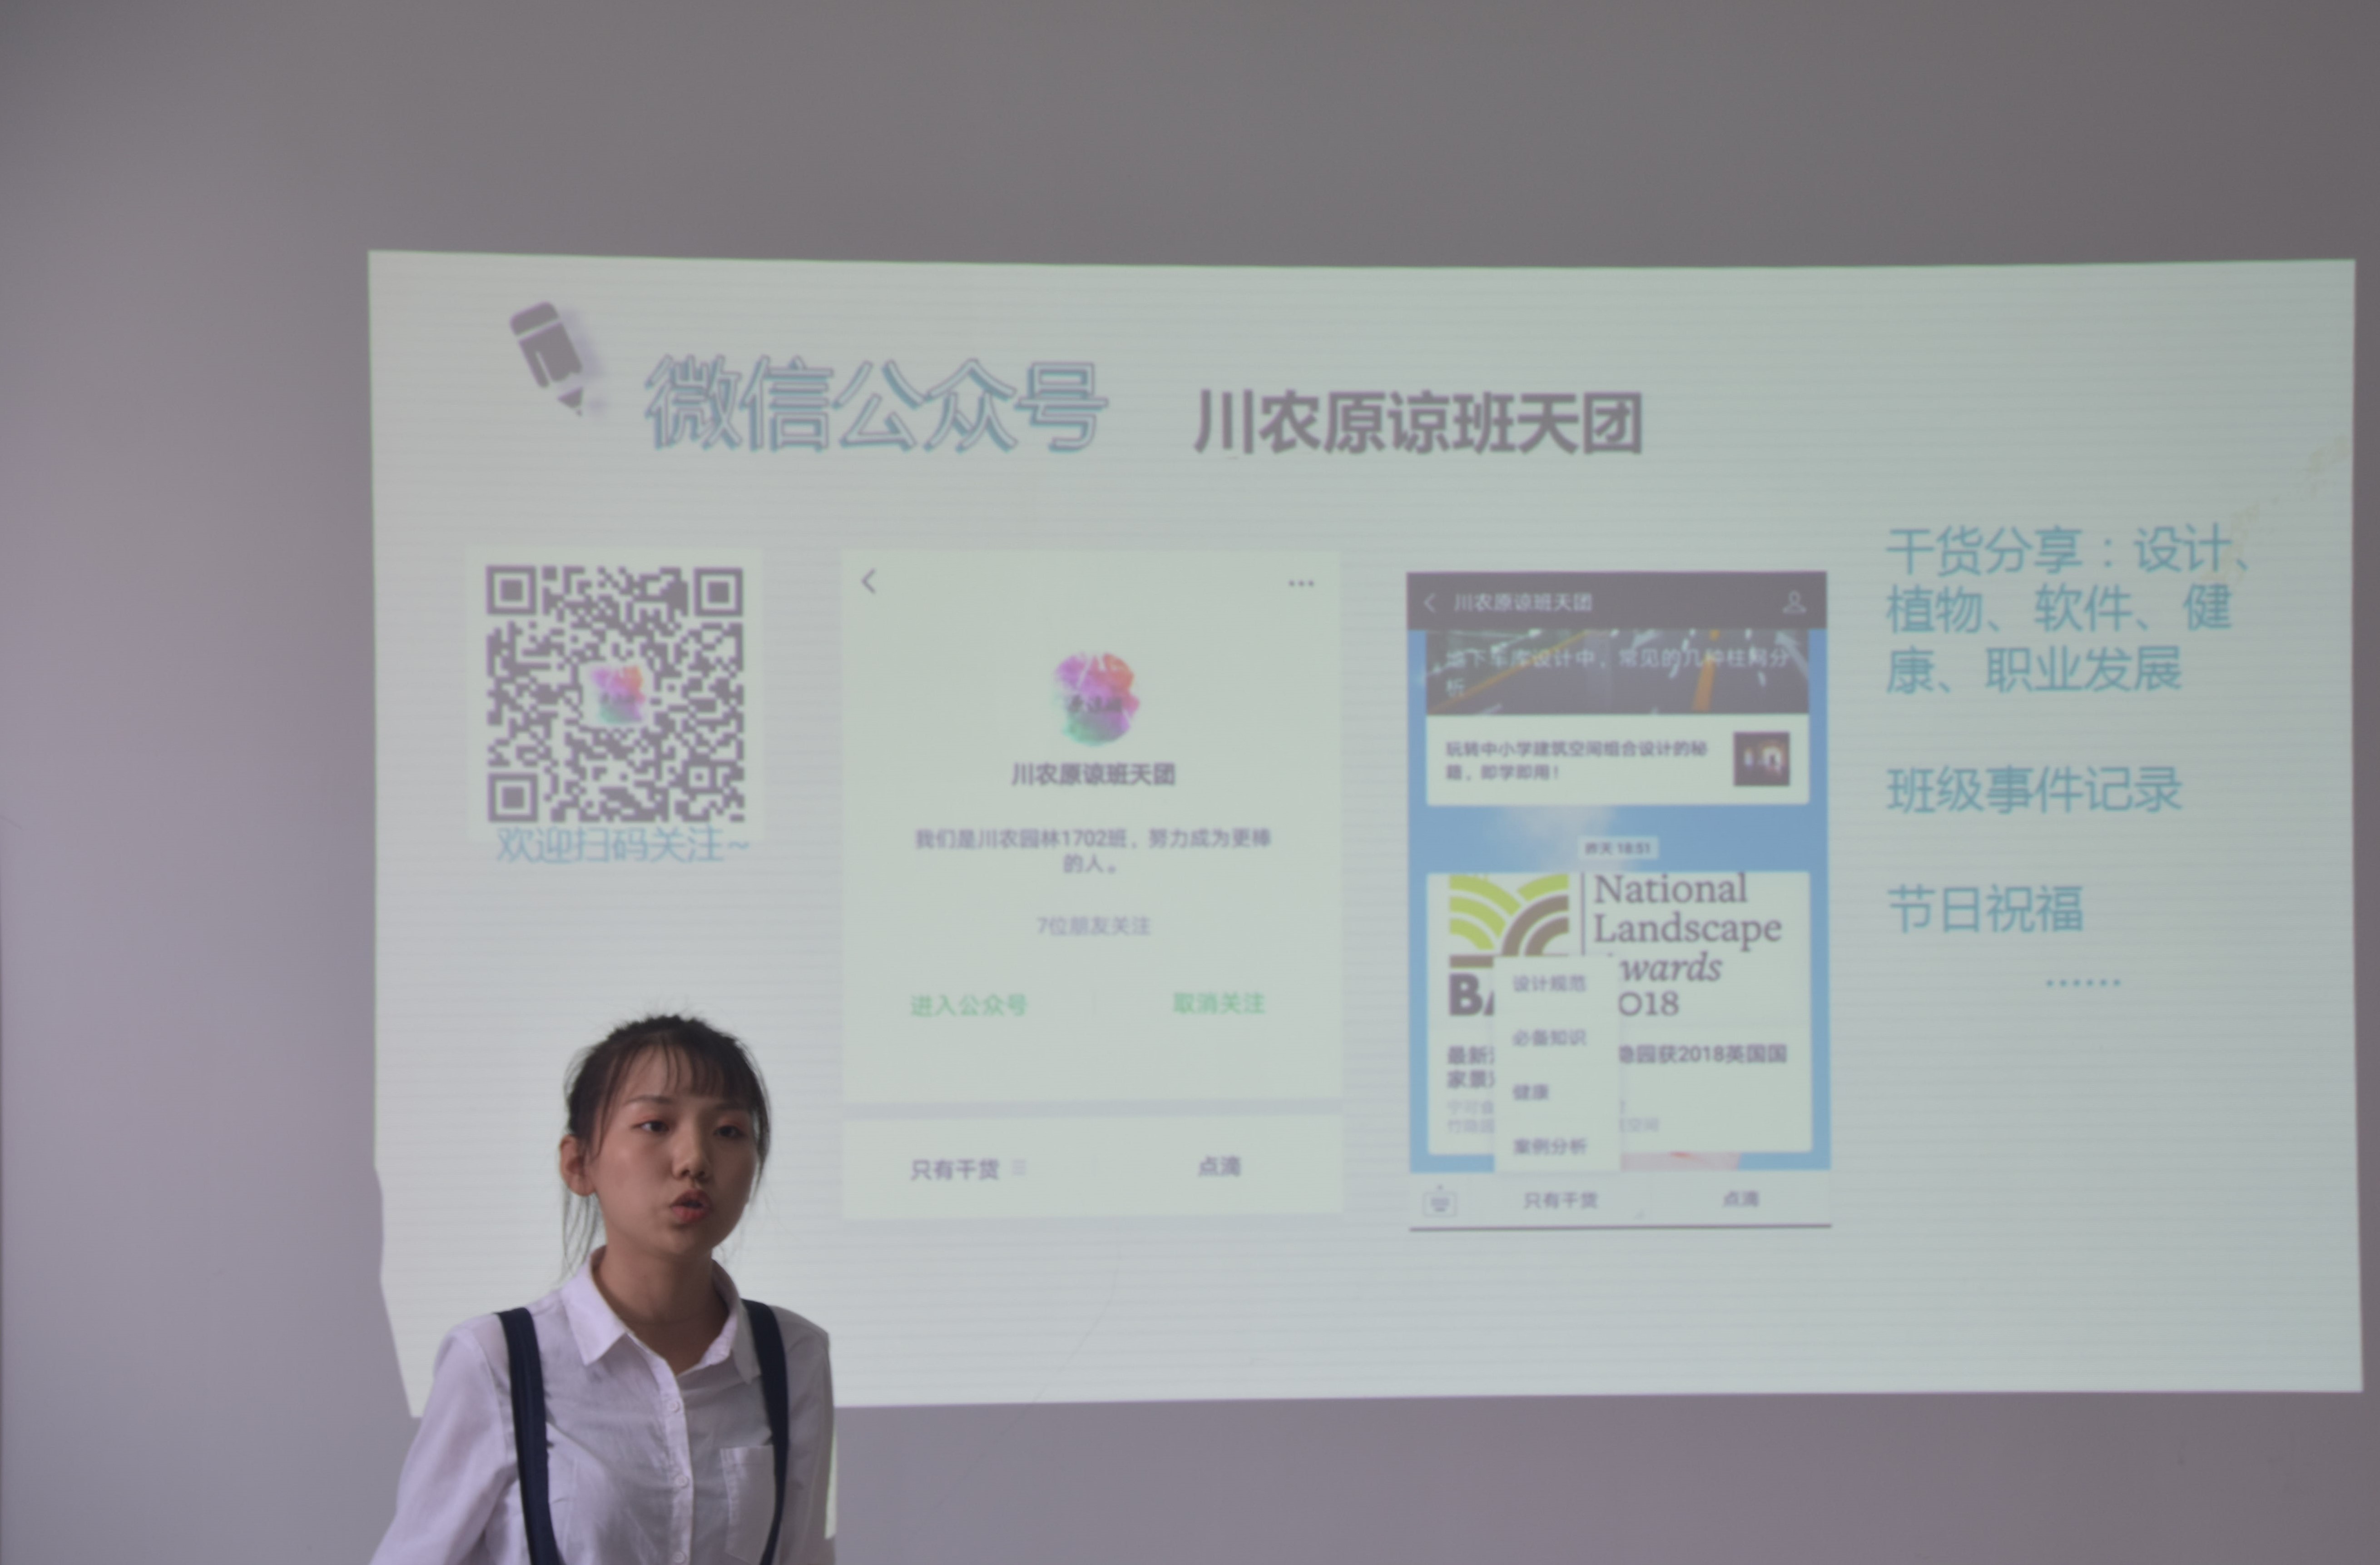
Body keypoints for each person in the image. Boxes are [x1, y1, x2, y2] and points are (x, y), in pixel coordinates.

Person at [372, 1016, 834, 1565]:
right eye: (655, 1125)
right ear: (577, 1163)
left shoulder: (792, 1354)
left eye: (729, 1131)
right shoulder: (495, 1359)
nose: (695, 1160)